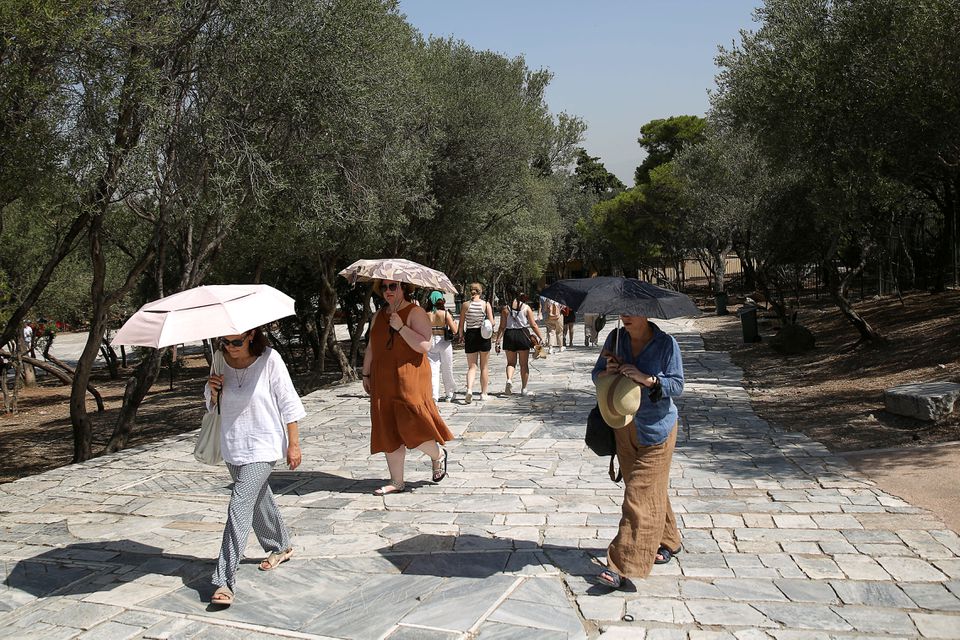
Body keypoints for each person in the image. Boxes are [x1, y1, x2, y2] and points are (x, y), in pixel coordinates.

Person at [204, 327, 306, 606]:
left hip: (264, 444)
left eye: (236, 341)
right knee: (258, 497)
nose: (230, 347)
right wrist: (213, 392)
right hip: (232, 445)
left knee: (239, 504)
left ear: (250, 335)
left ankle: (223, 579)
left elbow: (288, 401)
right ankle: (280, 545)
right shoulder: (219, 360)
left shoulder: (270, 359)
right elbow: (211, 406)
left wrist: (293, 444)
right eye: (223, 341)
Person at [591, 315, 684, 588]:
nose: (625, 317)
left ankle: (621, 564)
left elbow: (677, 385)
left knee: (638, 496)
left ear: (646, 313)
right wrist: (606, 371)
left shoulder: (666, 344)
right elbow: (596, 374)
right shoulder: (615, 339)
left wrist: (648, 379)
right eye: (623, 311)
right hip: (623, 427)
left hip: (658, 430)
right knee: (645, 489)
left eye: (632, 311)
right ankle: (669, 539)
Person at [362, 279, 453, 496]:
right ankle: (397, 481)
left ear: (404, 288)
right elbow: (372, 347)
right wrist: (366, 373)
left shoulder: (415, 312)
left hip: (410, 376)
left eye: (392, 286)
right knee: (387, 425)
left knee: (414, 424)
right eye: (383, 287)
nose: (387, 291)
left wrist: (401, 327)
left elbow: (424, 346)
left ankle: (437, 454)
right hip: (383, 377)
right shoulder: (378, 316)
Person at [494, 290, 544, 397]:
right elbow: (533, 324)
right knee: (524, 364)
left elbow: (502, 327)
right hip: (522, 335)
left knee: (511, 363)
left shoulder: (505, 309)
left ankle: (509, 380)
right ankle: (524, 389)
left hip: (509, 335)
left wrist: (497, 341)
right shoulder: (526, 308)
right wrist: (540, 337)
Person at [457, 282, 494, 402]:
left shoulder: (465, 305)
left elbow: (461, 324)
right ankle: (483, 393)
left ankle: (469, 390)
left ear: (470, 291)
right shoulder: (486, 304)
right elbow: (492, 322)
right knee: (484, 366)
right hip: (483, 336)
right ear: (480, 291)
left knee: (472, 367)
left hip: (471, 335)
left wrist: (461, 336)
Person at [426, 290, 457, 402]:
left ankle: (434, 395)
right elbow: (455, 330)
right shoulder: (444, 314)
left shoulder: (426, 314)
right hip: (443, 342)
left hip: (431, 342)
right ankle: (449, 393)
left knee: (433, 369)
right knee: (447, 369)